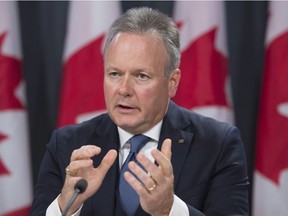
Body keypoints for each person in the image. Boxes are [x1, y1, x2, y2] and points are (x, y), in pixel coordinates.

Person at [30, 7, 249, 216]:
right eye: (115, 74)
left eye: (141, 76)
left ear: (172, 82)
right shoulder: (67, 145)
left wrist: (169, 210)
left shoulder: (218, 144)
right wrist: (65, 206)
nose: (124, 90)